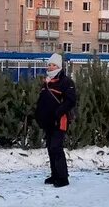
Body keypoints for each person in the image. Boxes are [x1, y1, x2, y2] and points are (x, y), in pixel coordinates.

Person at [34, 53, 76, 188]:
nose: (50, 67)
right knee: (50, 148)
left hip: (60, 121)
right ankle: (55, 175)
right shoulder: (47, 82)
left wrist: (57, 113)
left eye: (53, 65)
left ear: (59, 66)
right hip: (48, 122)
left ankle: (63, 178)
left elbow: (70, 101)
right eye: (49, 65)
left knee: (56, 148)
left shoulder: (66, 82)